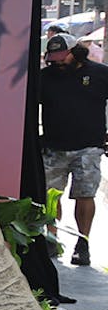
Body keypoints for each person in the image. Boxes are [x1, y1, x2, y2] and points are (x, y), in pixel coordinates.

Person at [38, 33, 108, 266]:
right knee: (50, 195)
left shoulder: (100, 74)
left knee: (85, 194)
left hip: (89, 146)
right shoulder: (44, 77)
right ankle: (51, 238)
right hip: (54, 146)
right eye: (53, 58)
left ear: (75, 52)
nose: (57, 62)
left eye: (62, 56)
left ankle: (83, 242)